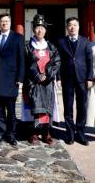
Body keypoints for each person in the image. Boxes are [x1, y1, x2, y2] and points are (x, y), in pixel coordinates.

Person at [23, 14, 61, 146]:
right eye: (37, 27)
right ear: (33, 29)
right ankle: (33, 132)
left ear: (45, 30)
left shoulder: (51, 47)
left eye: (42, 28)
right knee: (34, 106)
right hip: (33, 83)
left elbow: (57, 62)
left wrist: (48, 74)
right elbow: (27, 63)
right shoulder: (28, 46)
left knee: (48, 107)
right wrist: (37, 75)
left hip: (48, 83)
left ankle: (46, 132)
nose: (39, 30)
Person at [0, 12, 25, 146]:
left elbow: (21, 59)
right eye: (2, 21)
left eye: (7, 21)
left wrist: (20, 78)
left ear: (10, 23)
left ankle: (11, 134)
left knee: (11, 109)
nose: (4, 23)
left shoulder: (18, 38)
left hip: (11, 79)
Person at [57, 17, 93, 146]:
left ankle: (81, 133)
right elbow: (58, 62)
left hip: (82, 78)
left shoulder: (85, 41)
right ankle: (70, 133)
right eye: (70, 25)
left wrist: (89, 78)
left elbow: (90, 61)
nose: (72, 27)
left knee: (82, 106)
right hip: (67, 78)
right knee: (68, 107)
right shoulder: (61, 42)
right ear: (67, 28)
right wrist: (59, 78)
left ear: (78, 27)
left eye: (74, 25)